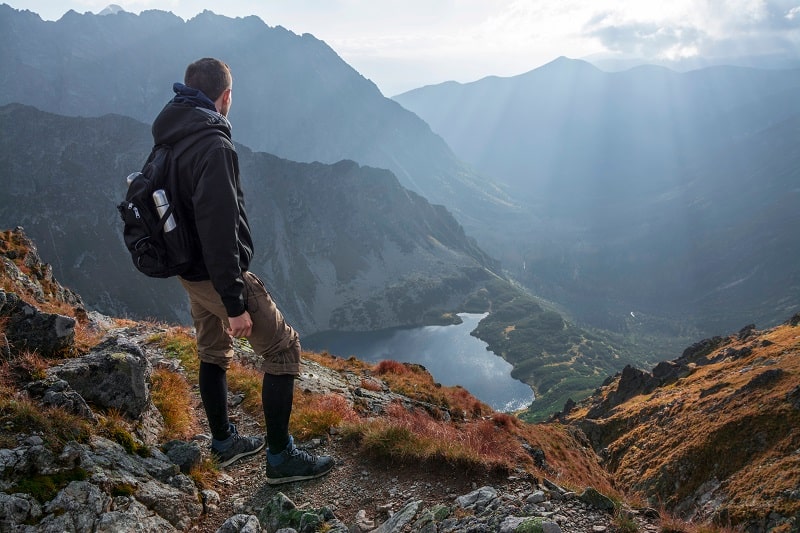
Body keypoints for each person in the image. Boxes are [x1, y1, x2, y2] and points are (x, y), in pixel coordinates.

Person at [151, 57, 334, 484]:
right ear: (226, 96)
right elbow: (218, 229)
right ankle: (280, 459)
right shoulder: (213, 144)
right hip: (216, 275)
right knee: (283, 350)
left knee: (212, 352)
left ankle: (223, 442)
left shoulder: (169, 134)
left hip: (189, 271)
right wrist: (235, 303)